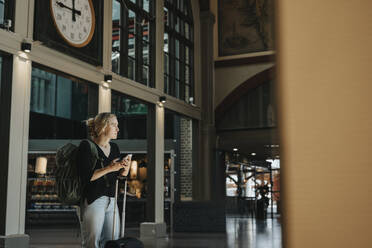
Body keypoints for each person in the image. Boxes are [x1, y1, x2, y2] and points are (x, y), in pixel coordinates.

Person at [76, 112, 131, 248]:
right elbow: (87, 176)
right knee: (92, 242)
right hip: (93, 200)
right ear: (103, 126)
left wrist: (125, 167)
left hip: (112, 200)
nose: (118, 129)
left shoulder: (115, 148)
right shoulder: (87, 146)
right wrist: (110, 168)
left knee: (112, 242)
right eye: (114, 125)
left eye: (117, 125)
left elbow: (121, 175)